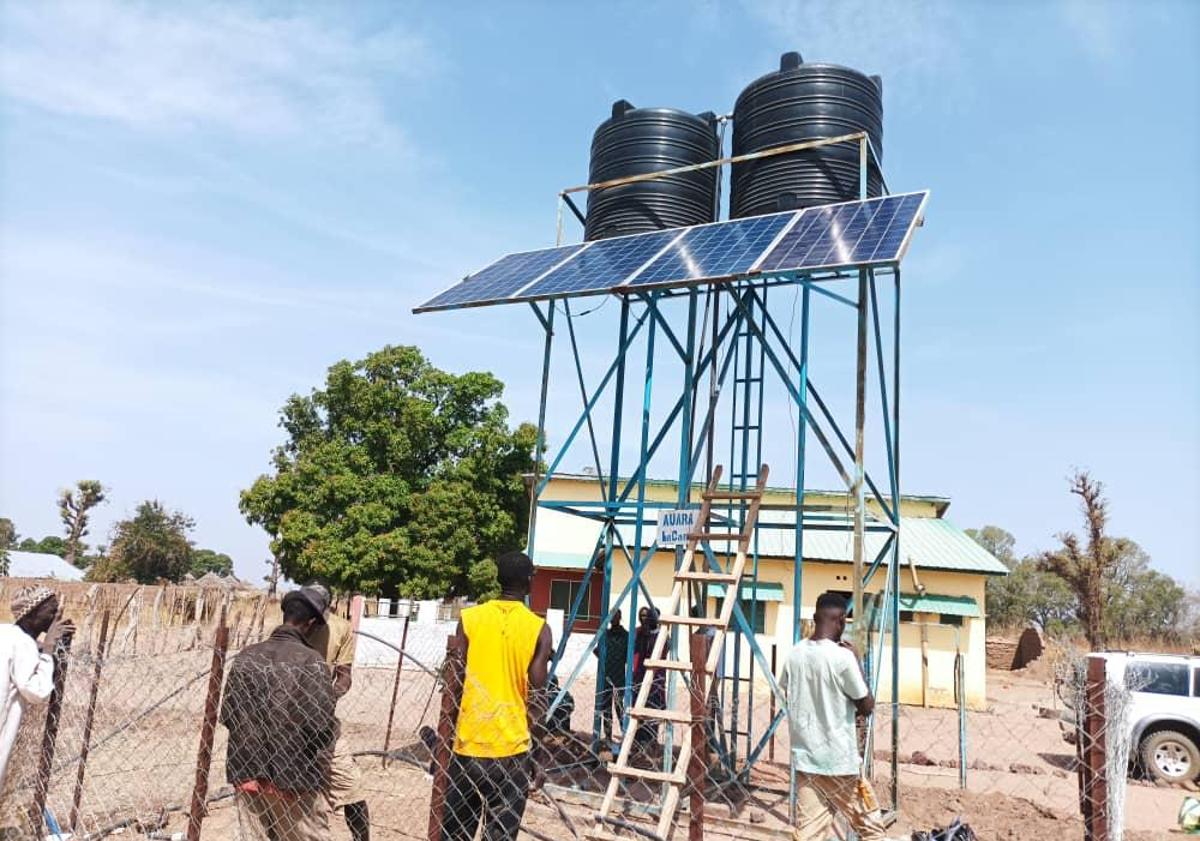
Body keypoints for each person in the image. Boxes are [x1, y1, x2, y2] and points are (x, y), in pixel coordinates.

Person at [442, 551, 552, 841]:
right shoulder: (539, 630)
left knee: (456, 833)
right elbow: (538, 698)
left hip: (468, 746)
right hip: (511, 751)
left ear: (497, 579)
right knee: (500, 835)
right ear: (529, 583)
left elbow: (453, 684)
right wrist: (537, 757)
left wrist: (445, 741)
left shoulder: (470, 619)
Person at [220, 587, 337, 841]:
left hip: (247, 771)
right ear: (312, 624)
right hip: (294, 778)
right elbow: (320, 727)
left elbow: (228, 716)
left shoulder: (246, 657)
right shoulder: (312, 662)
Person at [779, 592, 884, 841]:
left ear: (815, 618)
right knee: (871, 830)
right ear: (842, 622)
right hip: (841, 764)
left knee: (808, 835)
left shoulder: (794, 654)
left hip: (806, 760)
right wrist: (858, 661)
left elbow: (785, 687)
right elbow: (867, 705)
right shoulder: (843, 657)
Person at [303, 584, 370, 841]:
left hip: (323, 723)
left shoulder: (341, 629)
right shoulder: (286, 626)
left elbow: (344, 677)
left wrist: (328, 696)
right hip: (287, 721)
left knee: (351, 786)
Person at [0, 587, 72, 804]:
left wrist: (40, 646)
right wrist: (48, 649)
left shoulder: (5, 632)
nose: (55, 615)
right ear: (31, 614)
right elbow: (35, 691)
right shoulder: (24, 644)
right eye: (50, 610)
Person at [591, 609, 628, 746]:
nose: (613, 619)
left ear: (620, 617)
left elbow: (629, 655)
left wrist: (617, 659)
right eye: (611, 616)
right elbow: (596, 651)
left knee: (619, 707)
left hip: (618, 677)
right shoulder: (605, 635)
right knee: (606, 708)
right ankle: (607, 736)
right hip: (606, 676)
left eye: (616, 616)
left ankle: (625, 735)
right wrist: (606, 660)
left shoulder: (625, 636)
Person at [631, 606, 664, 745]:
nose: (646, 619)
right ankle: (638, 739)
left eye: (649, 616)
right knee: (638, 706)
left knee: (653, 708)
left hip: (657, 677)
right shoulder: (639, 633)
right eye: (643, 616)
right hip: (639, 675)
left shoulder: (662, 635)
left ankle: (652, 739)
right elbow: (635, 650)